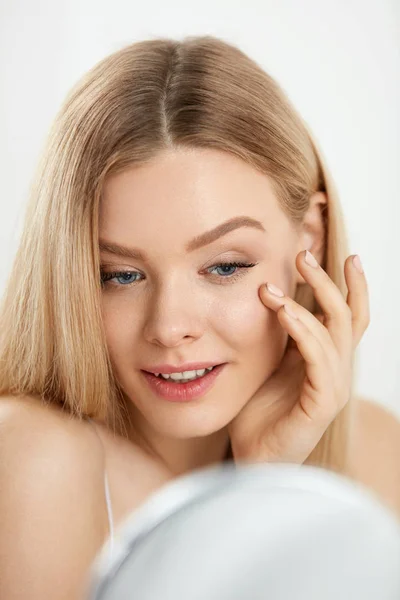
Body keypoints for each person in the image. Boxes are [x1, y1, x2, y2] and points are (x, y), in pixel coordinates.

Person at [0, 34, 399, 600]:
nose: (169, 327)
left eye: (224, 267)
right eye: (119, 275)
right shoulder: (32, 462)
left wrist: (262, 484)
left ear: (310, 240)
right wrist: (251, 497)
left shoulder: (376, 449)